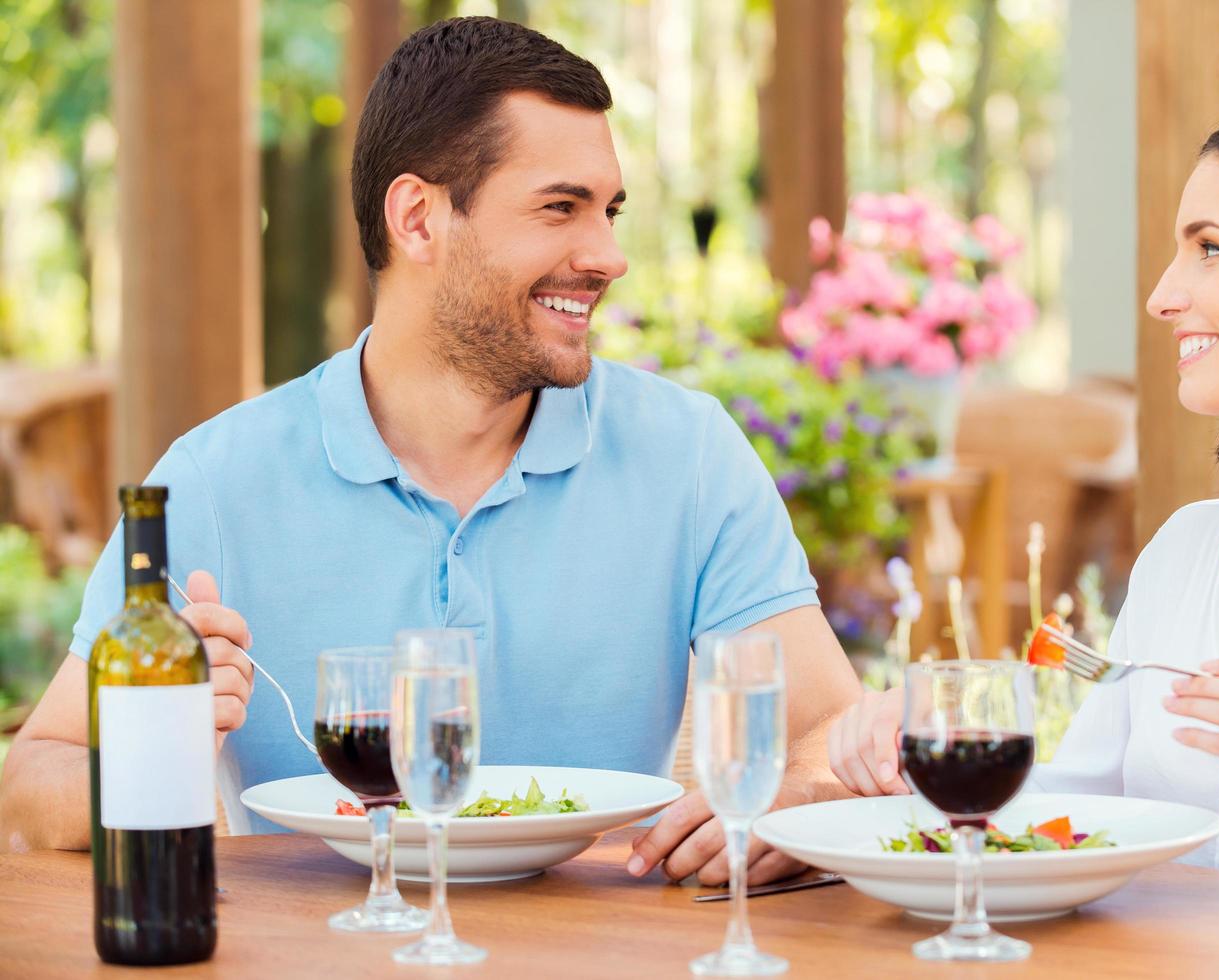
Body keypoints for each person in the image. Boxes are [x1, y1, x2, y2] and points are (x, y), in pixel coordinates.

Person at [0, 17, 861, 888]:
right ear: (418, 218)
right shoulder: (214, 482)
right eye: (560, 207)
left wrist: (794, 797)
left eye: (609, 211)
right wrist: (152, 747)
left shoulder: (688, 453)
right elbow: (32, 788)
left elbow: (826, 731)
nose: (606, 255)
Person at [828, 100, 1219, 976]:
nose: (1163, 296)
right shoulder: (1191, 552)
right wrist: (926, 759)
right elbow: (1083, 816)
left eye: (1208, 248)